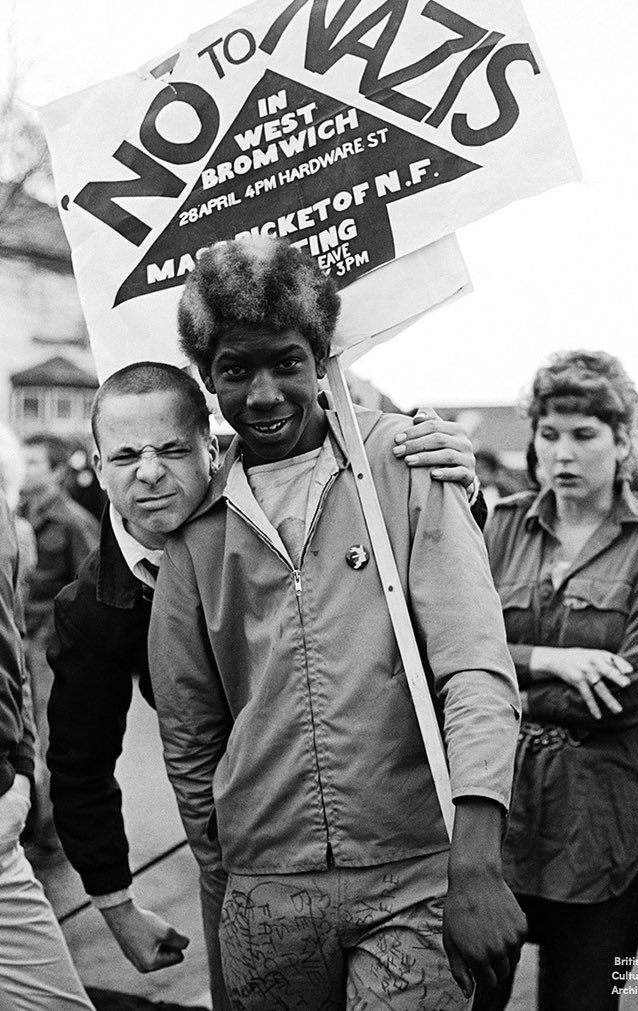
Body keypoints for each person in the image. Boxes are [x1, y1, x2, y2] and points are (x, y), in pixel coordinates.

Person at [149, 236, 525, 1010]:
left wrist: (476, 858)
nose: (262, 394)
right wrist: (225, 886)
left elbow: (475, 667)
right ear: (206, 375)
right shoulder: (196, 522)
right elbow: (190, 733)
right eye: (234, 369)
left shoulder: (409, 462)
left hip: (415, 873)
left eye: (286, 361)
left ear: (323, 358)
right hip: (265, 891)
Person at [47, 360, 484, 1010]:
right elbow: (81, 765)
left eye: (171, 448)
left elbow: (383, 501)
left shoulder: (278, 500)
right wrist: (118, 904)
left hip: (394, 832)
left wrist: (450, 476)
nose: (149, 471)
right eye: (126, 455)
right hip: (246, 848)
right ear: (98, 462)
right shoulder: (94, 606)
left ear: (210, 445)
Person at [477, 351, 638, 1011]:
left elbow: (629, 691)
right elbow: (448, 659)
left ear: (622, 442)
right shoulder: (500, 526)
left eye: (584, 434)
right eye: (550, 432)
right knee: (467, 995)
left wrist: (498, 681)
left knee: (591, 1001)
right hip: (494, 815)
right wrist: (549, 660)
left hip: (604, 825)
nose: (563, 452)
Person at [0, 490, 94, 1009]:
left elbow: (11, 624)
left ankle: (49, 828)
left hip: (46, 645)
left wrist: (17, 766)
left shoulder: (42, 521)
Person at [18, 433, 98, 854]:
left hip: (48, 646)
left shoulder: (73, 522)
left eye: (33, 462)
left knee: (48, 740)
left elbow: (89, 594)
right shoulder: (18, 515)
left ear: (55, 471)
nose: (23, 468)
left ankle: (48, 831)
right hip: (19, 639)